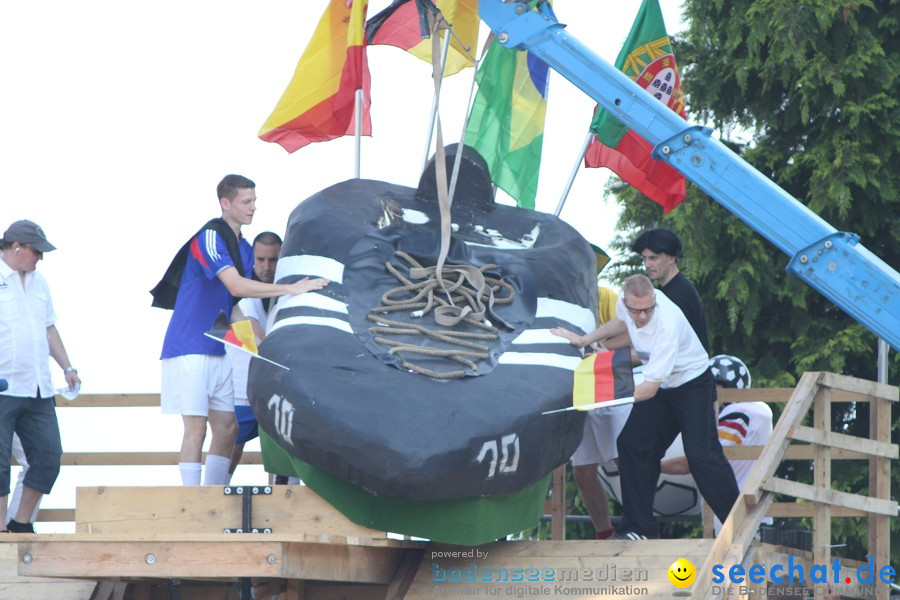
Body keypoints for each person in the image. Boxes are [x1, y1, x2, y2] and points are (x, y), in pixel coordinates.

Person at [155, 175, 329, 486]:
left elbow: (233, 308)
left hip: (216, 347)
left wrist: (262, 345)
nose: (253, 207)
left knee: (228, 428)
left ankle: (213, 497)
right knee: (196, 429)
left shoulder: (243, 248)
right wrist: (293, 288)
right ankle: (193, 504)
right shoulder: (209, 237)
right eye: (246, 202)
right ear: (226, 204)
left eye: (254, 200)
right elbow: (236, 285)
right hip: (188, 347)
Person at [551, 274, 738, 540]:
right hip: (664, 385)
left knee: (700, 454)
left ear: (655, 300)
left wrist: (606, 395)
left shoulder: (667, 324)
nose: (641, 317)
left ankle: (738, 522)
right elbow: (619, 321)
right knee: (631, 443)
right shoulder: (627, 308)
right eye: (636, 310)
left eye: (648, 310)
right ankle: (639, 528)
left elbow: (648, 389)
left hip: (692, 385)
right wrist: (584, 340)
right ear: (625, 301)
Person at [0, 219, 80, 533]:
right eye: (37, 251)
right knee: (1, 465)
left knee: (48, 457)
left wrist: (68, 367)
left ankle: (20, 523)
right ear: (17, 248)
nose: (40, 258)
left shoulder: (40, 281)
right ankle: (1, 535)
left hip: (38, 388)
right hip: (3, 386)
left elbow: (49, 328)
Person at [661, 354, 773, 533]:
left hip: (733, 518)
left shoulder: (739, 412)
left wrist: (651, 466)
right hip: (750, 515)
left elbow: (697, 461)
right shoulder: (756, 412)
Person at [225, 231, 295, 484]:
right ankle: (210, 505)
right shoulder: (243, 289)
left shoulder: (290, 290)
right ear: (252, 258)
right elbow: (254, 333)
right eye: (261, 259)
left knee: (281, 461)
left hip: (276, 390)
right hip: (242, 387)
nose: (266, 266)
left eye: (273, 260)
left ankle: (284, 514)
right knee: (229, 454)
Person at [570, 286, 630, 539]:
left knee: (623, 460)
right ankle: (604, 533)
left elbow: (632, 333)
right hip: (574, 388)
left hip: (607, 383)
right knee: (582, 471)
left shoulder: (603, 294)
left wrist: (596, 346)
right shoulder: (553, 298)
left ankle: (638, 524)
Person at [630, 228, 709, 352]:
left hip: (686, 369)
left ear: (672, 258)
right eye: (644, 258)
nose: (647, 264)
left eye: (653, 258)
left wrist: (613, 356)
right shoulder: (664, 291)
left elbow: (660, 348)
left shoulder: (680, 295)